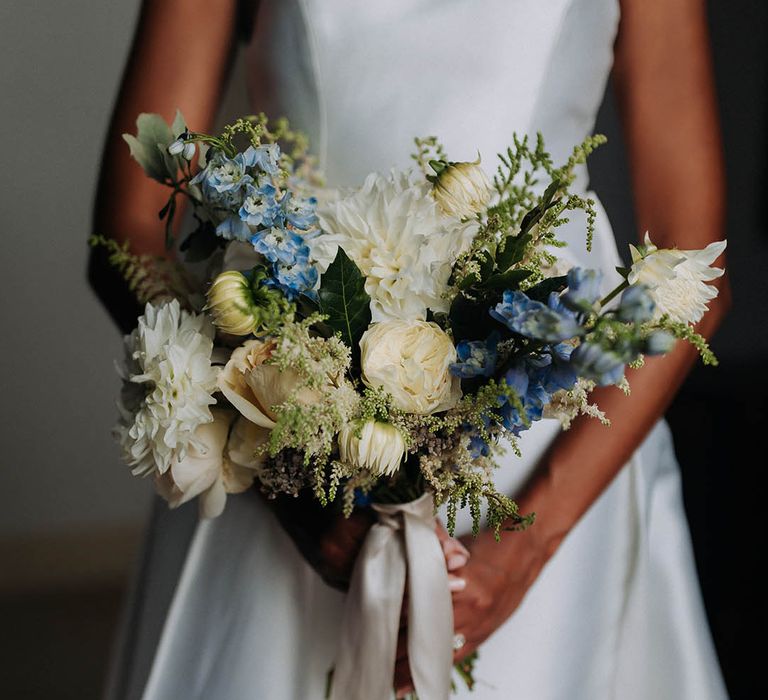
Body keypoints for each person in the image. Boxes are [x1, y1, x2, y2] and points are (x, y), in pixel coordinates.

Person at [93, 1, 731, 698]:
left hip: (551, 438)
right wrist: (286, 476)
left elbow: (691, 256)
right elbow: (131, 221)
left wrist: (523, 549)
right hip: (283, 418)